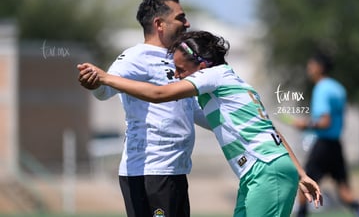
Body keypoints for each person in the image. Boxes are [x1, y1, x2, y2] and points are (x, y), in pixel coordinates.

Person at [78, 30, 323, 217]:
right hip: (264, 170)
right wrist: (301, 173)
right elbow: (271, 131)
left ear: (202, 66)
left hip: (265, 170)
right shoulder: (231, 82)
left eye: (181, 69)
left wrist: (106, 78)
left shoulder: (213, 76)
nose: (176, 75)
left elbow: (159, 94)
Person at [77, 0, 209, 217]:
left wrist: (235, 122)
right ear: (159, 23)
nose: (187, 23)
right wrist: (93, 83)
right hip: (150, 172)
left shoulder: (177, 59)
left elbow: (191, 109)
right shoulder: (135, 57)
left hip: (174, 170)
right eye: (180, 18)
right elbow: (105, 89)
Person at [290, 52, 359, 217]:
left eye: (311, 65)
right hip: (335, 144)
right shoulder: (338, 88)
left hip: (324, 145)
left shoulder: (322, 88)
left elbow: (325, 122)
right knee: (344, 191)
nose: (309, 68)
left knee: (305, 184)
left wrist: (304, 124)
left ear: (320, 67)